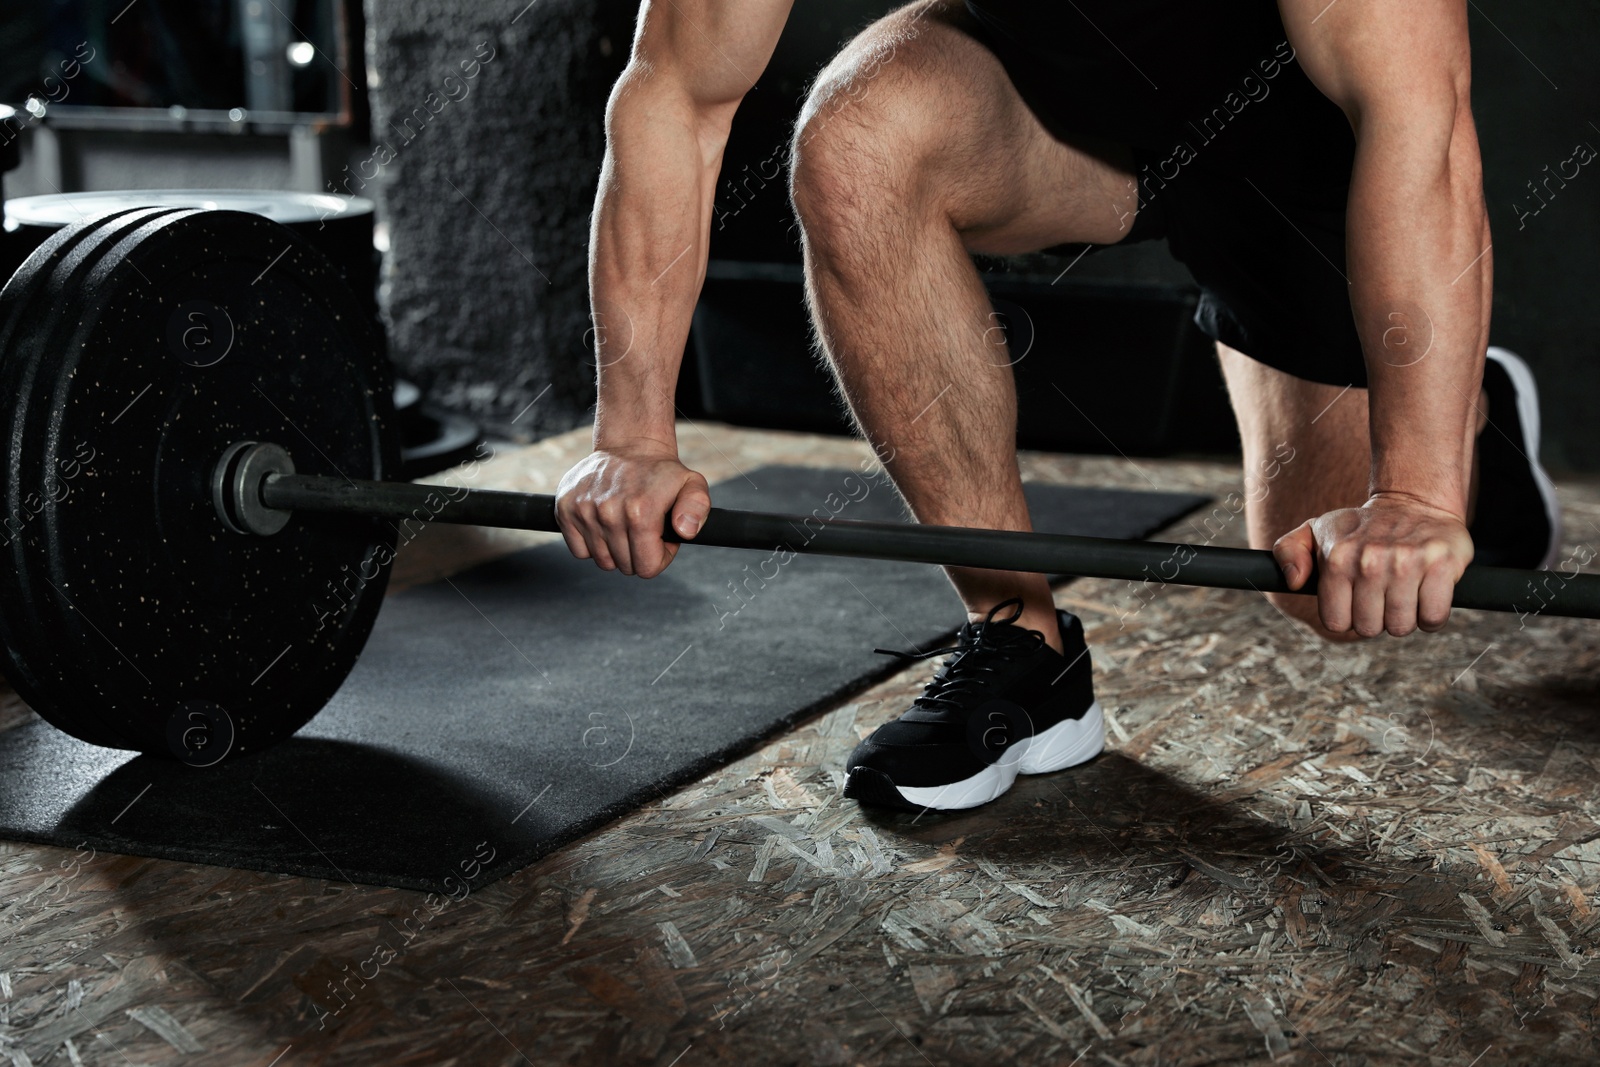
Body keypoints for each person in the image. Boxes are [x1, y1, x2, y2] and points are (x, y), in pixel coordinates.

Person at [554, 0, 1561, 811]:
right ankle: (1019, 645)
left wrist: (1420, 490)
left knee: (1320, 592)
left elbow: (1418, 125)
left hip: (1295, 153)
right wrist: (632, 437)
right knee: (857, 137)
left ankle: (1480, 447)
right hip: (1065, 113)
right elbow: (676, 93)